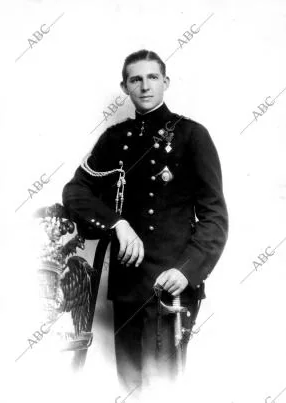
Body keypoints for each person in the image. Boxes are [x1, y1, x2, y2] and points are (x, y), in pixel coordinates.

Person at [62, 49, 228, 400]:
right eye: (136, 79)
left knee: (164, 389)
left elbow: (215, 217)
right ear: (125, 86)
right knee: (129, 385)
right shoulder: (114, 139)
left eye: (153, 77)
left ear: (165, 82)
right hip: (127, 286)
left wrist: (188, 270)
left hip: (172, 283)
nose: (145, 86)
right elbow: (75, 191)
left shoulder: (192, 136)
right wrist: (116, 223)